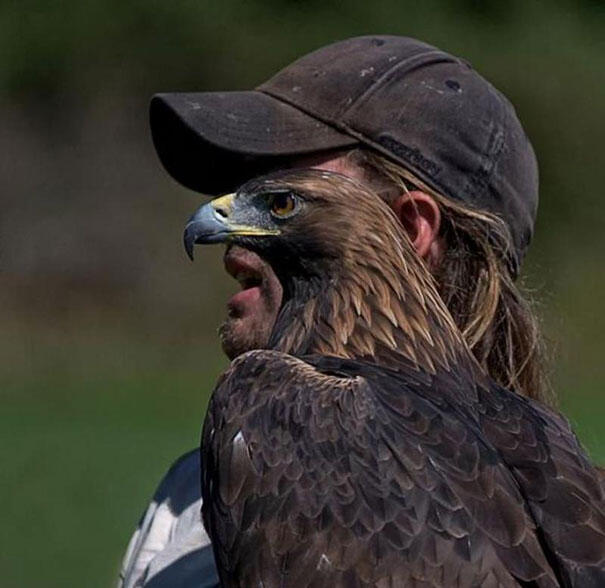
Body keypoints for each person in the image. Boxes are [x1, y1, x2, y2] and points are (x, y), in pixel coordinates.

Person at [118, 35, 546, 587]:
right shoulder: (186, 501)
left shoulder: (561, 514)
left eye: (283, 201)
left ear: (408, 229)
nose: (232, 251)